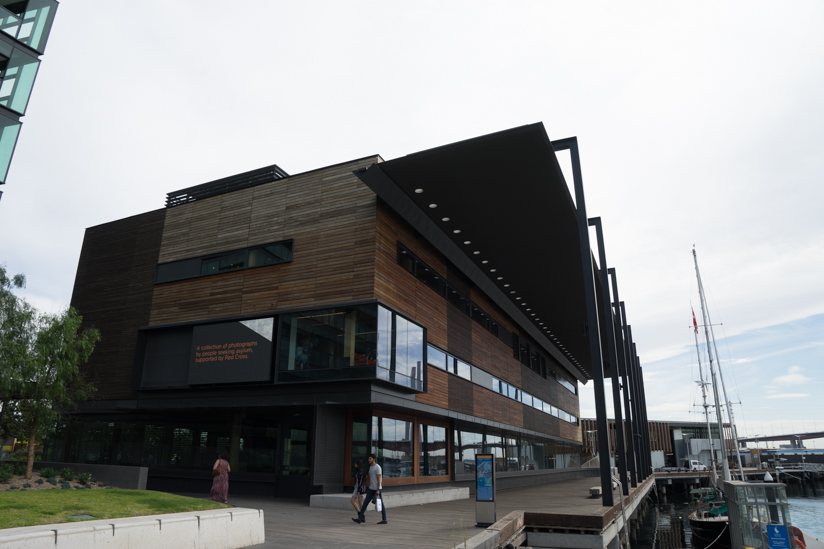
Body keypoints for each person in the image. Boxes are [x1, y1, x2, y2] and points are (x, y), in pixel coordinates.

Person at [352, 454, 387, 525]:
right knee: (365, 503)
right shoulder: (371, 467)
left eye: (370, 459)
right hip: (371, 489)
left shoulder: (378, 467)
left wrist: (378, 489)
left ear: (374, 459)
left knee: (381, 504)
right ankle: (360, 518)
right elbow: (368, 477)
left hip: (377, 489)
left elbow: (379, 479)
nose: (369, 460)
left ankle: (384, 519)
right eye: (368, 459)